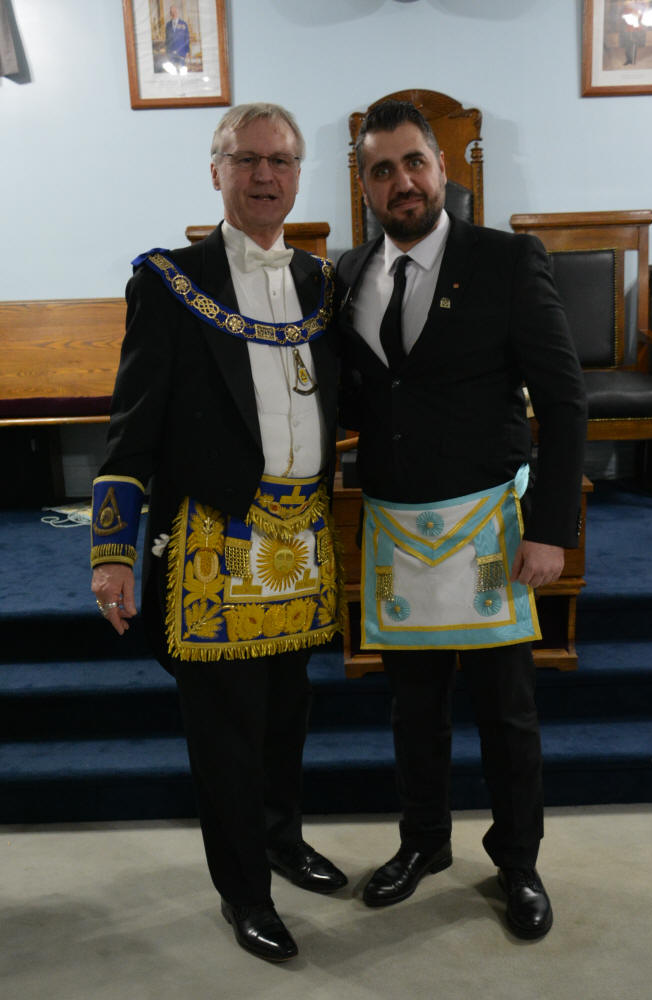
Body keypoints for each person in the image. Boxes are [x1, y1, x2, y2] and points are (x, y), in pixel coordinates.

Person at [90, 102, 346, 964]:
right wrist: (112, 553)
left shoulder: (324, 283)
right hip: (211, 541)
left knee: (286, 715)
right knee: (225, 732)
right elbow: (130, 427)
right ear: (216, 172)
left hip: (302, 538)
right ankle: (245, 892)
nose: (264, 175)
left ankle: (280, 839)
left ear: (298, 174)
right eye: (245, 159)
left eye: (280, 160)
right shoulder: (170, 280)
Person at [337, 100, 587, 940]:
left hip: (488, 530)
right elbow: (359, 396)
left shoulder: (506, 260)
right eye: (381, 169)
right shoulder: (347, 273)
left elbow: (563, 399)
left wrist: (550, 528)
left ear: (442, 168)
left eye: (414, 162)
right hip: (395, 531)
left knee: (505, 713)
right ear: (364, 184)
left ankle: (516, 861)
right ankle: (422, 842)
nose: (401, 181)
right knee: (413, 709)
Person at [164, 5, 190, 69]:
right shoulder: (168, 25)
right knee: (172, 71)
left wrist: (187, 52)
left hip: (181, 52)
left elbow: (186, 38)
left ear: (177, 12)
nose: (174, 14)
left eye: (175, 12)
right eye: (172, 12)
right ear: (170, 14)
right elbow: (167, 40)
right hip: (171, 53)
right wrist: (167, 52)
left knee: (182, 71)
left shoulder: (183, 24)